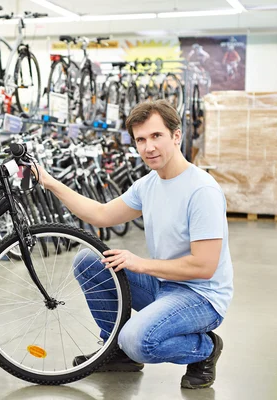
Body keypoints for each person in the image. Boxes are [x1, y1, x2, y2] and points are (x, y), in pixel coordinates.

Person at [33, 99, 233, 389]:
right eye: (141, 139)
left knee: (137, 340)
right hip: (163, 283)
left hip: (201, 296)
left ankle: (205, 348)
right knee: (89, 262)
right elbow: (101, 214)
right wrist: (50, 182)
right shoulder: (148, 184)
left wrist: (140, 263)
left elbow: (204, 266)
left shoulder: (201, 190)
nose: (148, 147)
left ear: (176, 136)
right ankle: (117, 352)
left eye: (156, 136)